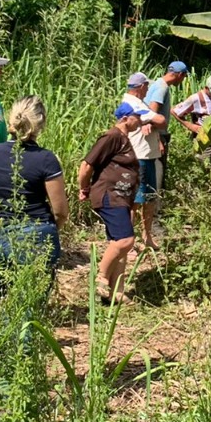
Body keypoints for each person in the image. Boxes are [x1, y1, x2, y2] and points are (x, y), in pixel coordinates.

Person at [0, 95, 68, 280]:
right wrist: (53, 229)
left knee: (1, 298)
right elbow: (60, 211)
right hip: (35, 231)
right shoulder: (46, 159)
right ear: (40, 124)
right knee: (31, 302)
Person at [78, 103, 144, 302]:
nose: (140, 121)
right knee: (126, 241)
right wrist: (84, 187)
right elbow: (87, 164)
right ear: (125, 118)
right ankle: (101, 277)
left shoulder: (124, 138)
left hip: (121, 197)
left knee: (119, 244)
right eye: (137, 117)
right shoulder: (112, 136)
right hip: (110, 195)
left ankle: (117, 292)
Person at [122, 72, 166, 250]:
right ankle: (129, 242)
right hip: (138, 156)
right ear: (140, 87)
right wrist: (153, 121)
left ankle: (146, 236)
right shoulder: (133, 104)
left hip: (148, 155)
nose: (148, 89)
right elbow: (161, 119)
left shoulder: (141, 103)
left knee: (149, 199)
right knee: (135, 201)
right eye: (147, 86)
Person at [146, 61, 187, 198]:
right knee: (157, 174)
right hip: (156, 136)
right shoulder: (161, 88)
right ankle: (155, 211)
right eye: (183, 77)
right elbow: (152, 113)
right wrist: (158, 140)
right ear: (180, 75)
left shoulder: (156, 84)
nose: (182, 81)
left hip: (152, 135)